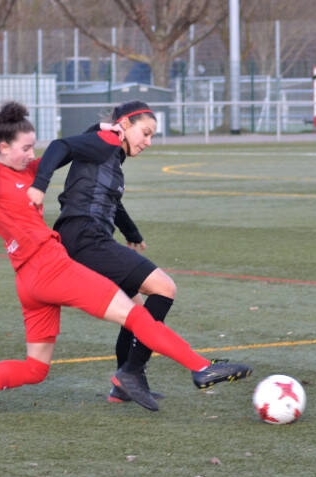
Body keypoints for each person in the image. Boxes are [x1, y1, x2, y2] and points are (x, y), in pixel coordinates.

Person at [0, 101, 252, 421]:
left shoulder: (27, 171)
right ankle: (200, 366)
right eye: (26, 148)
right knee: (135, 315)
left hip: (29, 281)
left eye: (33, 147)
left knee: (35, 369)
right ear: (3, 147)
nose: (32, 154)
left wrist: (102, 129)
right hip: (51, 268)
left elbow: (70, 149)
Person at [29, 100, 229, 411]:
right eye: (145, 133)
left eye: (152, 136)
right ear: (124, 124)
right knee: (164, 288)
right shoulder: (106, 141)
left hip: (86, 237)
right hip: (85, 238)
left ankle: (123, 385)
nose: (148, 142)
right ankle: (131, 372)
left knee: (135, 311)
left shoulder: (109, 151)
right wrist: (39, 185)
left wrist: (132, 232)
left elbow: (111, 200)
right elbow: (59, 145)